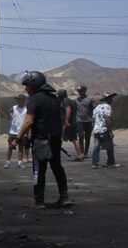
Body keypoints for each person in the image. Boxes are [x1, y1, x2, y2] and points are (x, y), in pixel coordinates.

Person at [11, 71, 69, 208]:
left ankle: (39, 200)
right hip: (55, 139)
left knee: (38, 170)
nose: (25, 89)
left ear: (34, 85)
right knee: (57, 167)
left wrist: (18, 138)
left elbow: (29, 121)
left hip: (41, 140)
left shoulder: (34, 100)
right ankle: (64, 196)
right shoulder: (55, 99)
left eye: (27, 86)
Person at [91, 92, 120, 169]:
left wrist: (94, 129)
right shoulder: (107, 107)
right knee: (109, 147)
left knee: (96, 147)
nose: (112, 99)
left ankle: (94, 163)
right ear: (108, 99)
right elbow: (108, 119)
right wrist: (110, 131)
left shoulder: (97, 108)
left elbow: (93, 119)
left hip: (96, 130)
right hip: (104, 130)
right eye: (111, 98)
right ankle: (110, 163)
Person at [58, 89, 83, 161]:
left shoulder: (66, 101)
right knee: (74, 139)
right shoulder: (69, 100)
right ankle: (79, 155)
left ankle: (79, 155)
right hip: (72, 123)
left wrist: (66, 121)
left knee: (67, 139)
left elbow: (68, 110)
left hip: (68, 123)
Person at [5, 94, 29, 169]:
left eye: (19, 99)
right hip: (13, 131)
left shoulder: (26, 109)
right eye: (17, 99)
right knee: (10, 147)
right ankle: (8, 162)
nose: (18, 101)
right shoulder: (13, 108)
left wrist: (29, 132)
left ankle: (19, 162)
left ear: (23, 100)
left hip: (22, 131)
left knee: (20, 147)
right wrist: (8, 113)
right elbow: (8, 118)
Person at [75, 85, 95, 159]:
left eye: (80, 91)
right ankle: (82, 152)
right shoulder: (76, 100)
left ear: (84, 91)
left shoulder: (90, 99)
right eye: (78, 91)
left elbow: (93, 109)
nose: (79, 92)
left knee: (87, 137)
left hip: (88, 121)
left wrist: (93, 119)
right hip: (79, 121)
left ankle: (86, 152)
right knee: (80, 136)